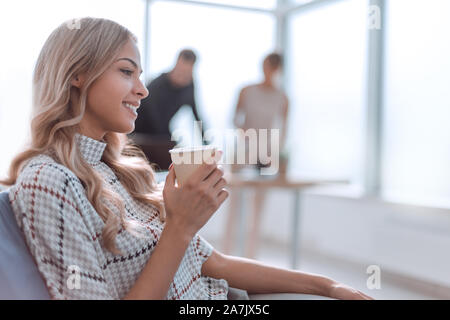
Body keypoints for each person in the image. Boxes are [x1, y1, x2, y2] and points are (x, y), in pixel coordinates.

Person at [0, 17, 372, 300]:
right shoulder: (49, 182)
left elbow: (217, 264)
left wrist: (328, 285)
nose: (142, 89)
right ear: (77, 75)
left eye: (140, 75)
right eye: (126, 72)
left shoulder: (121, 172)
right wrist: (180, 226)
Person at [223, 53, 289, 258]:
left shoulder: (282, 97)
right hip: (243, 150)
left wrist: (274, 153)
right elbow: (234, 119)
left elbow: (283, 129)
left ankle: (251, 257)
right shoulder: (246, 91)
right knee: (233, 204)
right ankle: (227, 253)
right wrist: (246, 136)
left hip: (266, 155)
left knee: (258, 207)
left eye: (274, 68)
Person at [132, 48, 205, 170]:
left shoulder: (189, 86)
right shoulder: (157, 85)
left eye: (188, 73)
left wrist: (205, 142)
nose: (183, 77)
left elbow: (196, 114)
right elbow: (153, 118)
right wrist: (170, 143)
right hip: (142, 134)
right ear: (176, 65)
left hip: (163, 135)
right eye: (181, 71)